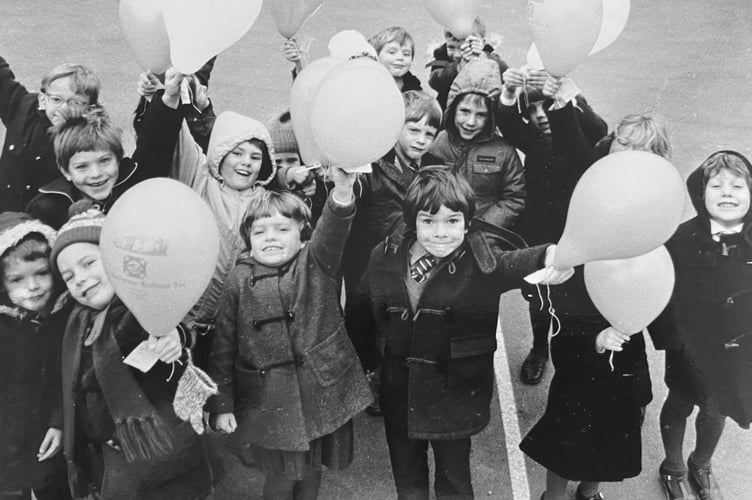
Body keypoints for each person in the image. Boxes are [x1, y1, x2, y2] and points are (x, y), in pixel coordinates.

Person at [348, 166, 571, 499]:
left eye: (452, 221)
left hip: (454, 393)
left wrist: (548, 255)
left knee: (454, 481)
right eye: (428, 221)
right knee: (408, 480)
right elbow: (360, 315)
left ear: (467, 223)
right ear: (413, 222)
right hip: (400, 390)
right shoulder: (384, 256)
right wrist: (369, 365)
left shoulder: (481, 264)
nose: (440, 233)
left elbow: (513, 264)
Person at [519, 92, 669, 500]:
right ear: (610, 144)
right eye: (623, 141)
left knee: (619, 419)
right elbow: (569, 145)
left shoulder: (656, 206)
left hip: (625, 321)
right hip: (581, 315)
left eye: (641, 148)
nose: (628, 152)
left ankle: (589, 492)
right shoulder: (590, 180)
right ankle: (554, 494)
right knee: (571, 418)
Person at [206, 168, 373, 500]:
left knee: (311, 472)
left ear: (303, 235)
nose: (271, 237)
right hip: (271, 399)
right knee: (280, 479)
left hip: (318, 389)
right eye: (260, 231)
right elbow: (223, 346)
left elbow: (334, 228)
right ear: (248, 239)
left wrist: (342, 189)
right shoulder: (238, 280)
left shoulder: (315, 261)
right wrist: (221, 404)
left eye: (282, 229)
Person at [51, 203, 214, 500]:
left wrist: (176, 335)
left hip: (162, 448)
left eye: (89, 263)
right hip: (115, 450)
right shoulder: (78, 322)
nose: (81, 279)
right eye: (69, 277)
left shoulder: (142, 303)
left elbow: (175, 320)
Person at [143, 68, 281, 369]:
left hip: (234, 331)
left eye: (255, 157)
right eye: (237, 153)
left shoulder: (268, 202)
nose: (246, 162)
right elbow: (175, 134)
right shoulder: (199, 177)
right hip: (184, 324)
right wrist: (167, 96)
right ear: (220, 155)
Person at [650, 150, 752, 500]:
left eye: (737, 186)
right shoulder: (680, 239)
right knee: (679, 402)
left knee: (717, 409)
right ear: (700, 193)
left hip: (737, 351)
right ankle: (673, 466)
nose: (727, 192)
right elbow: (662, 295)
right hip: (688, 346)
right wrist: (673, 341)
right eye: (717, 185)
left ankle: (701, 462)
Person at [496, 69, 608, 385]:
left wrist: (567, 95)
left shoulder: (581, 132)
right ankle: (539, 349)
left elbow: (599, 126)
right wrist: (507, 92)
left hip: (579, 231)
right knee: (540, 297)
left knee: (580, 298)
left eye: (544, 107)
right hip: (541, 232)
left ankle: (583, 352)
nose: (539, 116)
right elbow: (506, 119)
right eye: (531, 111)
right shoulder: (533, 138)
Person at [341, 90, 443, 414]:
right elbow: (351, 190)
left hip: (412, 267)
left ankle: (390, 374)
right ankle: (370, 370)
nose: (422, 139)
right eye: (414, 129)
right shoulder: (372, 168)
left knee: (401, 327)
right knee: (363, 321)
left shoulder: (432, 170)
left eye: (429, 132)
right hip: (371, 265)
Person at [26, 74, 182, 229]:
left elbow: (156, 144)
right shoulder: (46, 208)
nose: (96, 174)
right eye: (81, 167)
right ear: (65, 171)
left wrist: (169, 97)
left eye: (104, 161)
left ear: (118, 159)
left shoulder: (135, 184)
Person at [0, 213, 72, 500]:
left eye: (41, 273)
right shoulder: (5, 326)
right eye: (17, 279)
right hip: (10, 437)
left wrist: (59, 421)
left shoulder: (66, 316)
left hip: (54, 433)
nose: (32, 287)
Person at [428, 57, 525, 233]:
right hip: (441, 229)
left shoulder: (503, 151)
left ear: (491, 117)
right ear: (452, 109)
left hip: (484, 233)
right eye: (464, 111)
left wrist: (482, 227)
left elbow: (514, 198)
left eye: (481, 115)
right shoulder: (437, 143)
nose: (471, 122)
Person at [0, 56, 99, 213]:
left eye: (76, 103)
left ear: (89, 109)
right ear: (42, 100)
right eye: (56, 99)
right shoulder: (22, 107)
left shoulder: (93, 140)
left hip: (45, 225)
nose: (64, 108)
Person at [427, 18, 508, 110]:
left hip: (481, 109)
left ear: (482, 43)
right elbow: (435, 82)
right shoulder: (442, 56)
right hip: (448, 110)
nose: (457, 55)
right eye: (451, 47)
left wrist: (482, 56)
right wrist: (458, 66)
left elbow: (504, 74)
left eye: (463, 48)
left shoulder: (490, 57)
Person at [269, 110, 328, 226]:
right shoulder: (265, 187)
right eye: (278, 162)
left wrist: (316, 190)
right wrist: (289, 174)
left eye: (292, 160)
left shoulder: (312, 181)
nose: (286, 166)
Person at [369, 26, 423, 92]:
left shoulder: (416, 89)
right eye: (392, 52)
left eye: (406, 54)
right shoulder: (366, 85)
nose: (400, 57)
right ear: (376, 55)